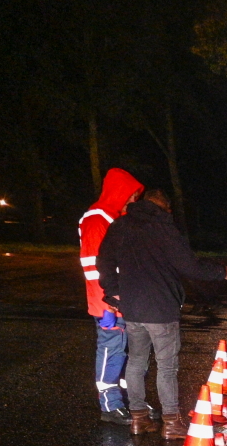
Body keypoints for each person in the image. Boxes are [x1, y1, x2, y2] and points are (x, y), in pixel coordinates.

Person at [96, 189, 227, 438]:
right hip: (160, 308)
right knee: (167, 366)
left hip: (132, 307)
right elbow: (189, 265)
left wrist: (114, 292)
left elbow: (103, 261)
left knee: (136, 361)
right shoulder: (163, 227)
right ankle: (171, 423)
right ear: (165, 207)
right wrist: (221, 272)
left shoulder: (121, 225)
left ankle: (139, 419)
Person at [78, 168, 145, 425]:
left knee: (126, 351)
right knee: (112, 349)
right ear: (120, 192)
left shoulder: (112, 217)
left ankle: (130, 401)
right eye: (131, 195)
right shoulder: (97, 219)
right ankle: (110, 404)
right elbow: (92, 268)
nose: (133, 200)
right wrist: (105, 305)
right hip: (109, 302)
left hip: (122, 299)